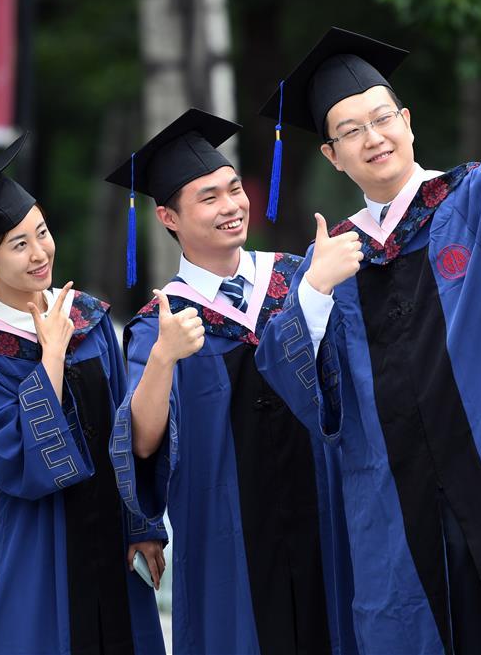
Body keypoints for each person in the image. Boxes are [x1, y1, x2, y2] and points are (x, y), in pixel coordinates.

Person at [255, 28, 481, 655]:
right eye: (350, 131)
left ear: (407, 121)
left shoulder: (473, 201)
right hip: (391, 510)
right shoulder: (332, 259)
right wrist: (315, 291)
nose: (373, 138)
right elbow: (296, 382)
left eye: (381, 118)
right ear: (333, 156)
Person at [105, 109, 357, 654]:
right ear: (169, 217)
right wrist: (163, 360)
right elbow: (142, 443)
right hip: (231, 532)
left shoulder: (299, 279)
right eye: (209, 197)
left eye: (235, 189)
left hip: (323, 510)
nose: (231, 206)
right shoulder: (160, 325)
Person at [0, 135, 166, 655]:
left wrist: (142, 524)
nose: (40, 253)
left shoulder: (89, 318)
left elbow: (125, 427)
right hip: (37, 541)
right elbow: (17, 465)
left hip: (111, 534)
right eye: (18, 245)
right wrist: (50, 358)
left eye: (42, 233)